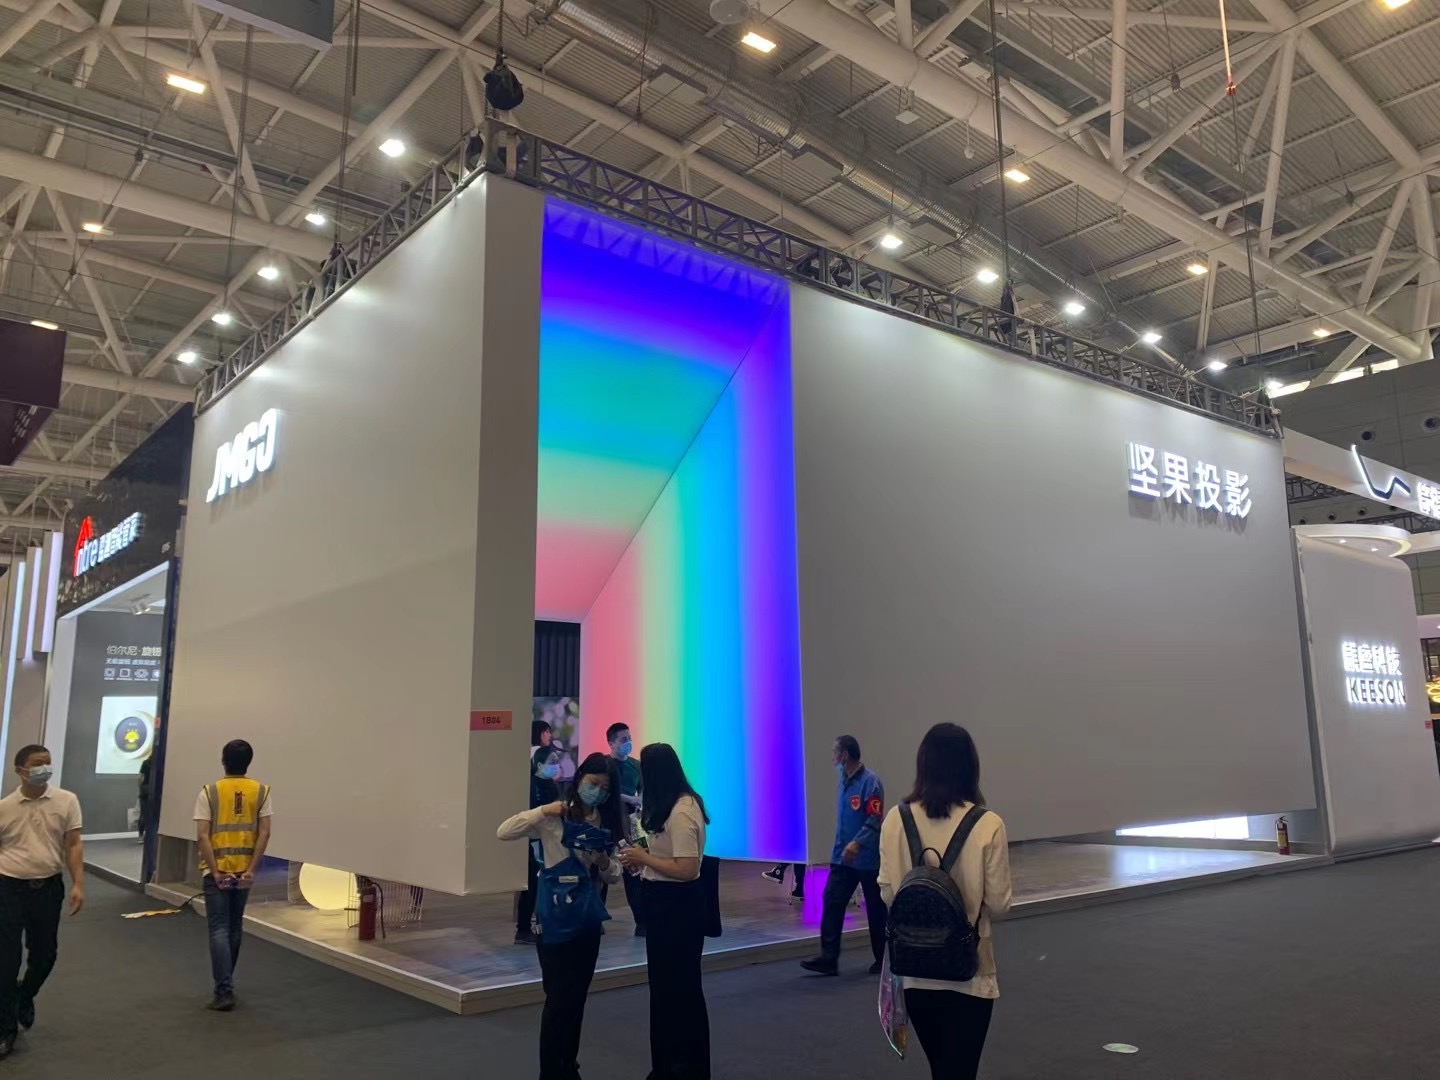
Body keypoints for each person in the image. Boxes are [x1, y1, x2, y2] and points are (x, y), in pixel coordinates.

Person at [878, 723, 1011, 1080]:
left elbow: (888, 893)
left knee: (942, 1069)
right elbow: (1000, 904)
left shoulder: (896, 819)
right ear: (970, 766)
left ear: (923, 763)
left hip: (914, 971)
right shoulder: (987, 824)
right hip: (969, 971)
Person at [498, 752, 622, 1080]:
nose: (597, 791)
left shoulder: (605, 821)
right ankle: (552, 1071)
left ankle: (569, 1064)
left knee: (577, 998)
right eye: (593, 783)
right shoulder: (554, 815)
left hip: (587, 920)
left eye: (605, 788)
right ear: (580, 778)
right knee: (558, 999)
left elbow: (614, 874)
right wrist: (543, 810)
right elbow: (504, 831)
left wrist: (603, 861)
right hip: (553, 919)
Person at [618, 744, 710, 1080]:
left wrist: (644, 859)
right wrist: (642, 863)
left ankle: (685, 1067)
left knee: (679, 990)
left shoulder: (683, 811)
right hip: (662, 903)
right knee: (664, 989)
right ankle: (667, 1066)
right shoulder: (669, 806)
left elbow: (687, 868)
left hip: (677, 907)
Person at [0, 745, 83, 1057]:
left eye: (47, 763)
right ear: (20, 770)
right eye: (37, 764)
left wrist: (78, 883)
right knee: (6, 961)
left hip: (47, 888)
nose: (44, 768)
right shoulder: (5, 807)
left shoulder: (66, 801)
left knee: (45, 955)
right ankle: (5, 1029)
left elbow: (73, 844)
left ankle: (24, 996)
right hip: (8, 888)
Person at [193, 739, 273, 1012]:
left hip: (216, 870)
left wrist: (214, 870)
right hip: (244, 871)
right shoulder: (261, 791)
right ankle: (226, 984)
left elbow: (202, 835)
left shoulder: (209, 792)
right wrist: (252, 869)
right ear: (248, 762)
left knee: (219, 928)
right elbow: (265, 833)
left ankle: (223, 990)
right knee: (235, 925)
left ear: (223, 760)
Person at [801, 735, 887, 976]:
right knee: (832, 900)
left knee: (876, 909)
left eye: (835, 753)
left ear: (845, 755)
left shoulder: (871, 782)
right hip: (842, 858)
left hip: (867, 859)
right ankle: (829, 958)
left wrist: (858, 843)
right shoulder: (843, 782)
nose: (833, 758)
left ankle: (883, 959)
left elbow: (874, 819)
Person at [517, 720, 563, 944]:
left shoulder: (548, 785)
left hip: (548, 840)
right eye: (552, 762)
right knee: (533, 883)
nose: (556, 766)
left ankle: (540, 924)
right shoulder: (531, 784)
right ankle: (524, 928)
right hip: (535, 841)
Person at [606, 723, 646, 936]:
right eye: (623, 740)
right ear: (611, 743)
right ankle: (595, 918)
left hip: (632, 824)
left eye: (629, 738)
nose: (628, 743)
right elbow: (606, 791)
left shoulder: (635, 765)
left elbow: (642, 789)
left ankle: (642, 921)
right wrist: (629, 798)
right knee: (601, 871)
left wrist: (639, 802)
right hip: (608, 823)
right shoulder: (605, 765)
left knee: (635, 871)